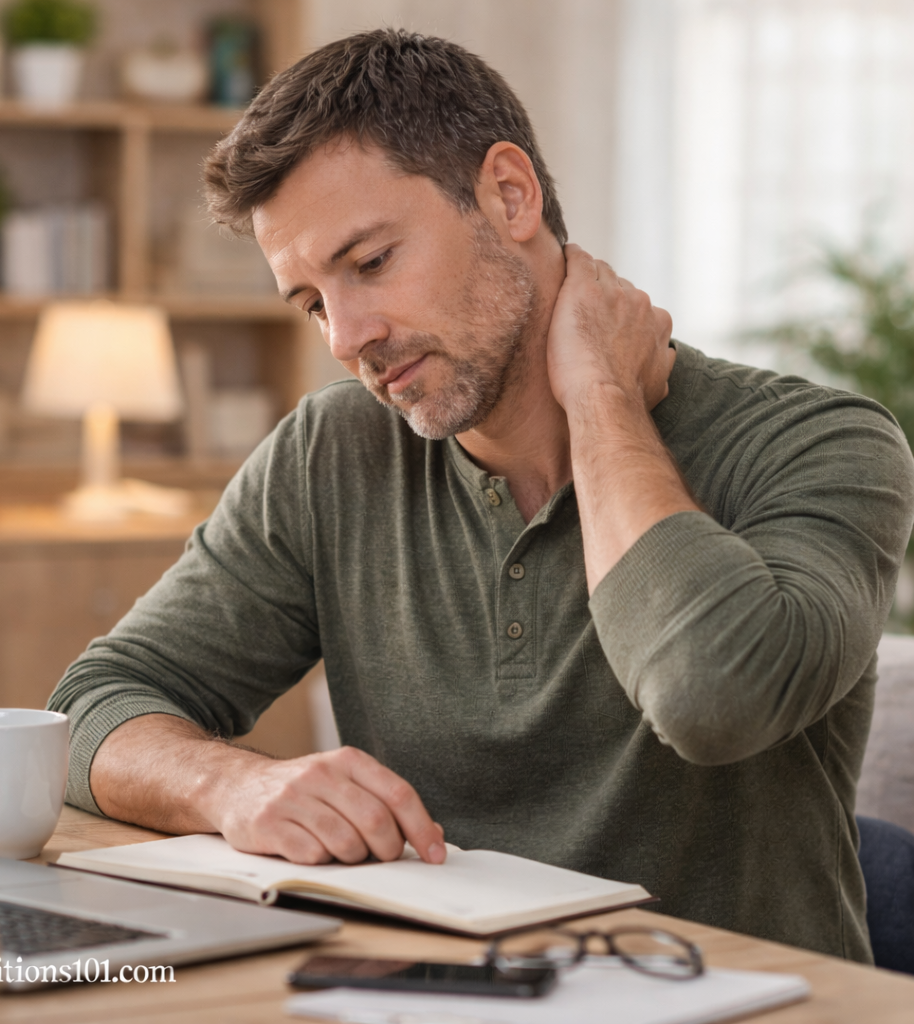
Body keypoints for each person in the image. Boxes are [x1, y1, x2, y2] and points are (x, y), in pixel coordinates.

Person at [48, 29, 914, 962]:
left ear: (509, 195)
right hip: (439, 999)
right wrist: (229, 787)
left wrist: (600, 396)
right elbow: (91, 709)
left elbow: (710, 696)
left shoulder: (822, 443)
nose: (346, 336)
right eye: (310, 301)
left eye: (371, 262)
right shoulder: (329, 454)